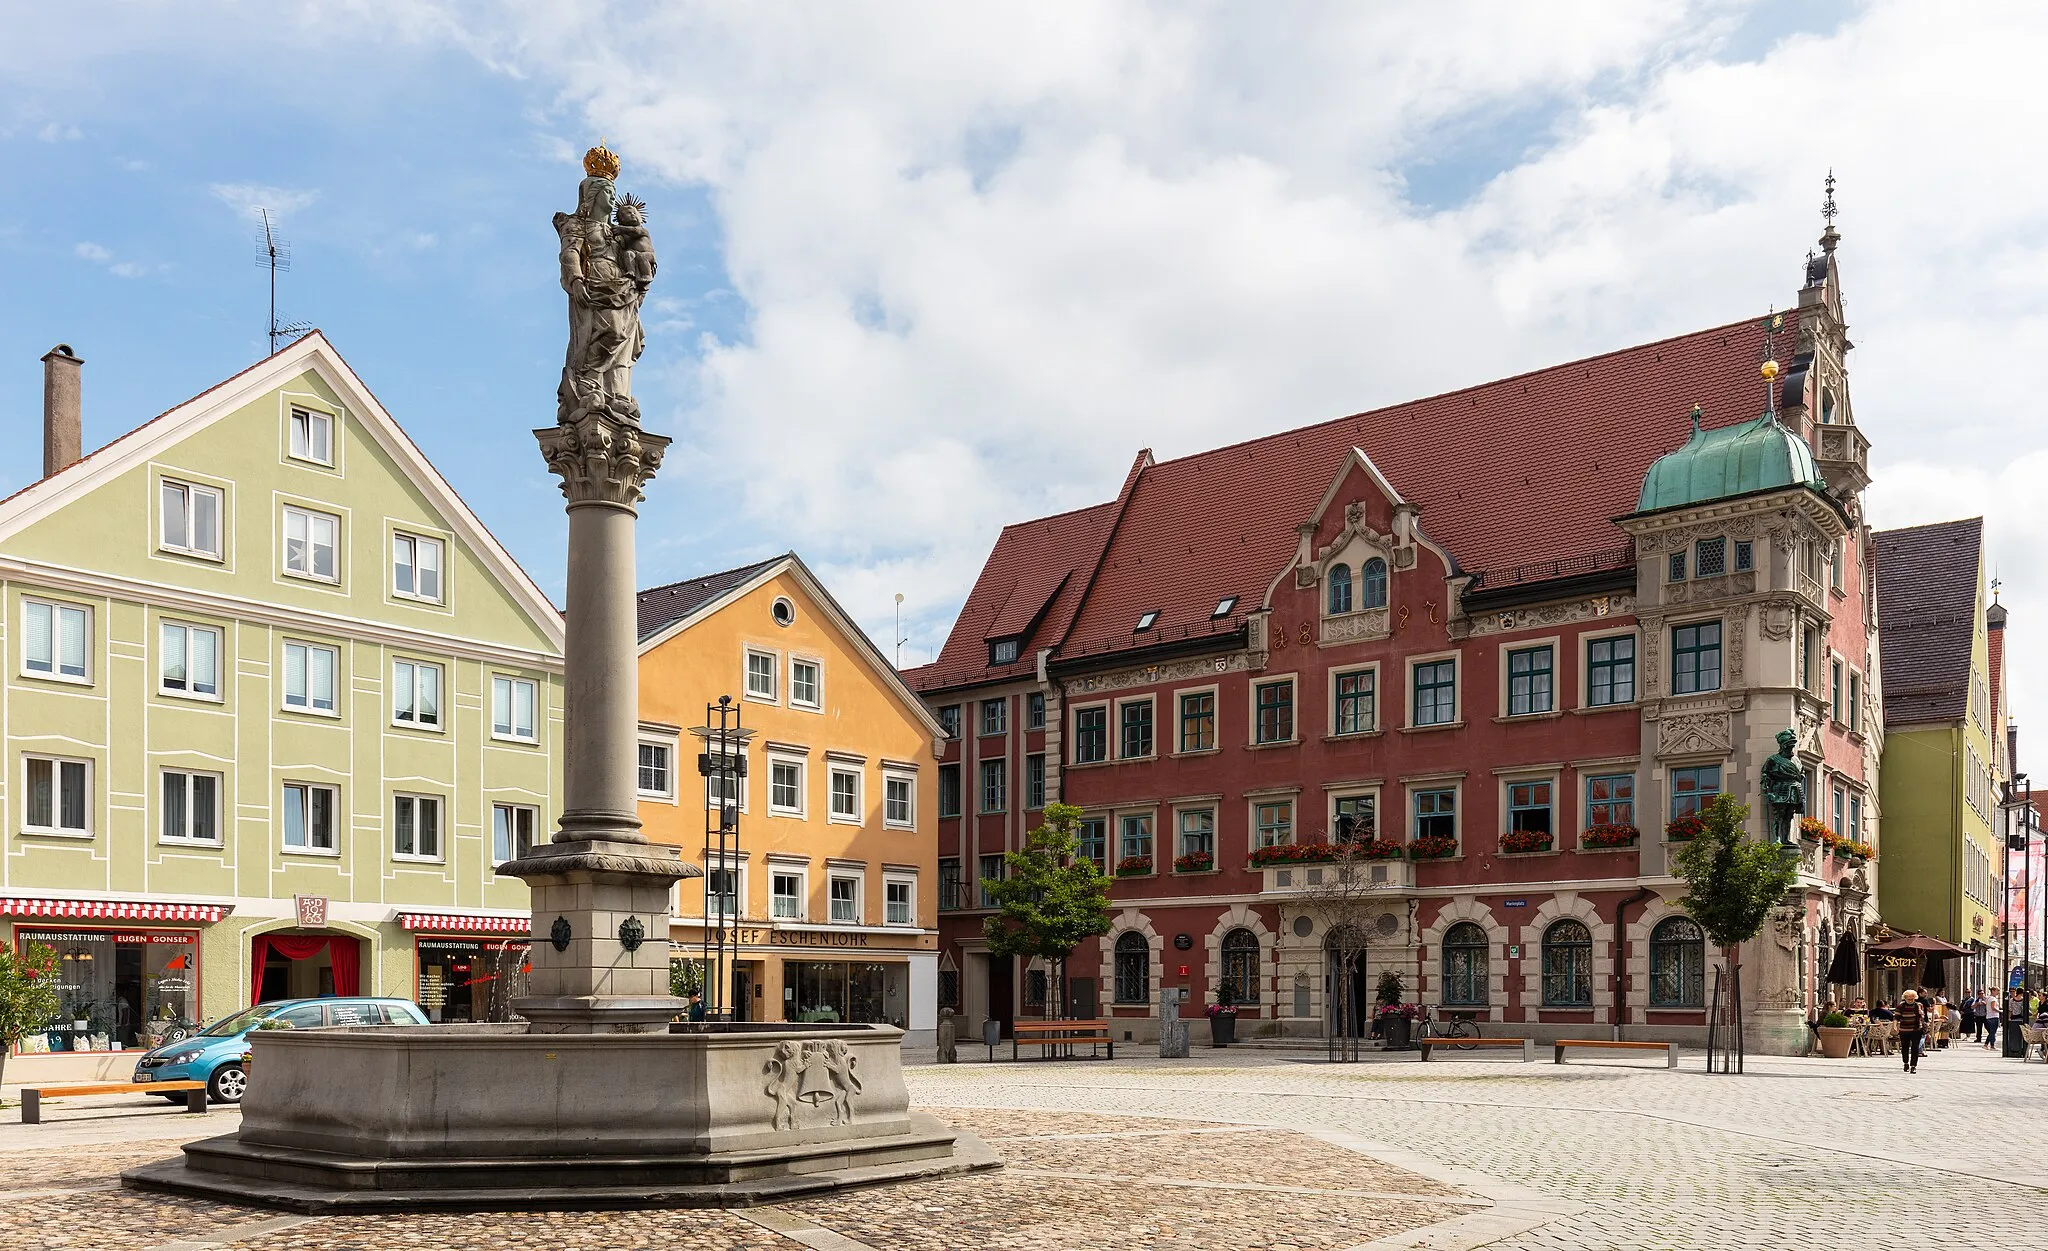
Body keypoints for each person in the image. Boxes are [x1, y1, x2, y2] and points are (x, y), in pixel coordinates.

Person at [1895, 989, 1927, 1073]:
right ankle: (1906, 1063)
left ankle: (1913, 1066)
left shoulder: (1918, 1005)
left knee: (1915, 1048)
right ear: (1904, 998)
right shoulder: (1900, 1006)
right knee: (1905, 1047)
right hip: (1904, 1030)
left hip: (1916, 1029)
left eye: (1912, 999)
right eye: (1908, 999)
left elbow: (1923, 1017)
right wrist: (1895, 1026)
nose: (1910, 1001)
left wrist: (1921, 1013)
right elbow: (1896, 1017)